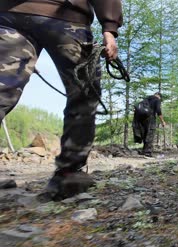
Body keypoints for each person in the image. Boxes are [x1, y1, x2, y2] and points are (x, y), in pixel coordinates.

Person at [0, 0, 123, 200]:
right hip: (65, 17)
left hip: (9, 15)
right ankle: (69, 175)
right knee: (84, 93)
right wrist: (110, 28)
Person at [133, 92, 166, 156]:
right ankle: (147, 152)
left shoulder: (146, 99)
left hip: (141, 119)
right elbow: (158, 110)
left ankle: (144, 151)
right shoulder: (157, 99)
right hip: (150, 118)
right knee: (150, 134)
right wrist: (163, 121)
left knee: (145, 134)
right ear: (159, 96)